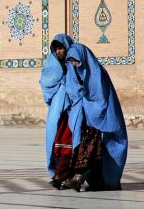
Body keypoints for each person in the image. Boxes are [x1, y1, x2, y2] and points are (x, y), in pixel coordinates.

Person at [65, 43, 128, 191]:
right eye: (72, 60)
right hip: (86, 120)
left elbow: (100, 98)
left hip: (101, 119)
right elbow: (74, 92)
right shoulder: (76, 72)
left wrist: (92, 110)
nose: (74, 63)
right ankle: (82, 178)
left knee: (94, 151)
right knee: (87, 151)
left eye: (76, 60)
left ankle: (81, 178)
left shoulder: (97, 73)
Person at [39, 34, 73, 189]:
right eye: (57, 49)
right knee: (57, 142)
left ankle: (64, 176)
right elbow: (46, 83)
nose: (59, 52)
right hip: (57, 113)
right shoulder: (52, 65)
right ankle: (58, 174)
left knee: (70, 143)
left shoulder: (74, 63)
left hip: (72, 111)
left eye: (62, 48)